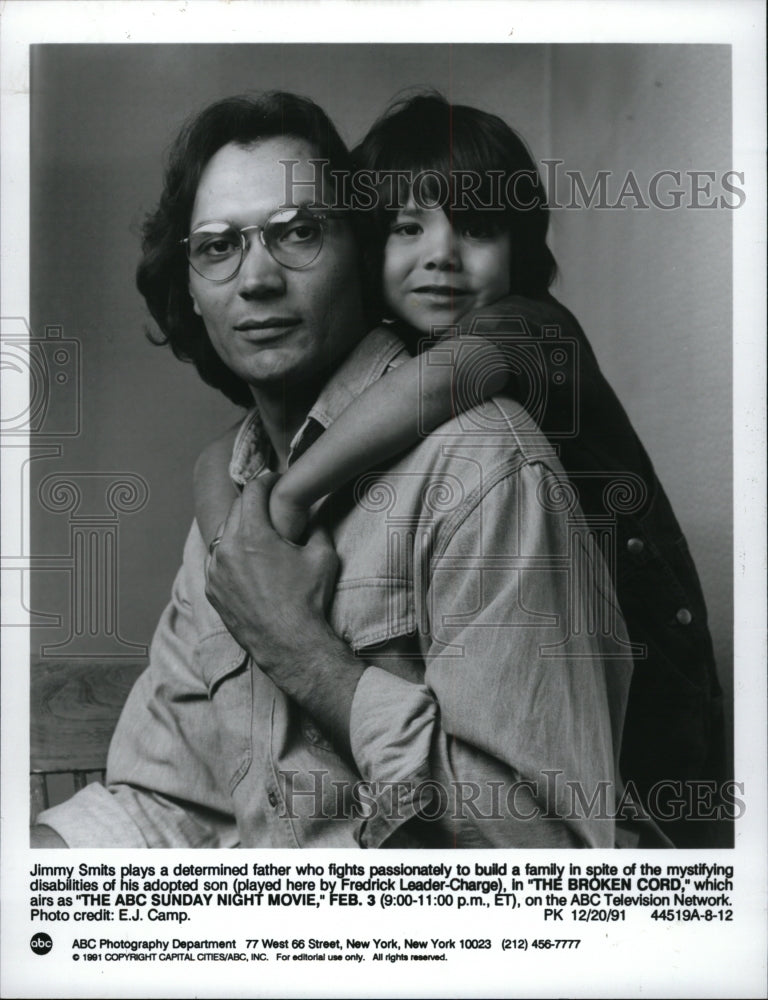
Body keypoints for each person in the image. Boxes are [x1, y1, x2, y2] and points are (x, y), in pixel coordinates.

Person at [32, 91, 635, 849]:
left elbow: (546, 865)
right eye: (218, 246)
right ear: (190, 284)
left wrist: (305, 655)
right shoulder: (230, 504)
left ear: (364, 251)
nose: (256, 279)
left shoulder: (482, 462)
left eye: (299, 233)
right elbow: (166, 801)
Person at [193, 93, 727, 847]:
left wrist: (288, 497)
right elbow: (220, 454)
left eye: (477, 228)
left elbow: (442, 383)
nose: (441, 252)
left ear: (522, 253)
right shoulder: (389, 362)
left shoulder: (532, 328)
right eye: (407, 227)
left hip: (653, 735)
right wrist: (238, 548)